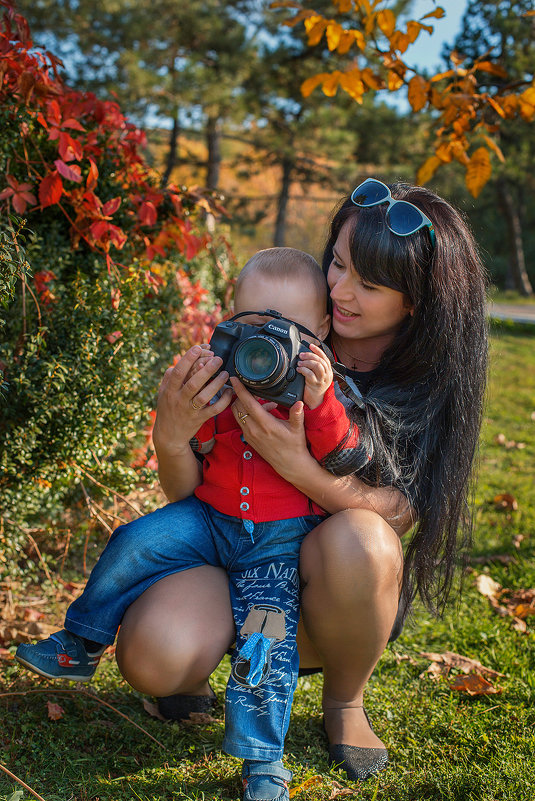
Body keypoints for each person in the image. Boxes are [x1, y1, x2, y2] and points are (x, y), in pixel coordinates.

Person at [91, 178, 485, 790]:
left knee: (362, 537)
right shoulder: (273, 329)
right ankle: (195, 675)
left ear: (415, 301)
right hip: (233, 558)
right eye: (338, 263)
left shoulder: (424, 382)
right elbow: (198, 500)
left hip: (333, 598)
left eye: (369, 284)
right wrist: (171, 437)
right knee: (149, 657)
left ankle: (345, 702)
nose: (339, 289)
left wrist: (299, 467)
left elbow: (400, 514)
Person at [17, 247, 371, 801]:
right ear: (227, 324)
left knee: (264, 643)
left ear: (322, 329)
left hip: (275, 548)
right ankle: (80, 642)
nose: (265, 344)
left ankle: (264, 764)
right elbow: (200, 447)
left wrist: (321, 397)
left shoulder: (321, 390)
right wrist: (187, 402)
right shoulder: (225, 375)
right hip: (208, 518)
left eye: (287, 329)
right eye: (250, 325)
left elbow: (341, 452)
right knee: (135, 539)